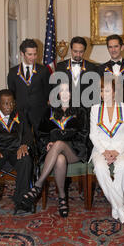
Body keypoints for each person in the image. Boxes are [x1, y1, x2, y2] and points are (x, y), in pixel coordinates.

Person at [20, 83, 90, 217]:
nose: (64, 93)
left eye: (67, 90)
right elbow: (41, 133)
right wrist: (47, 143)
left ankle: (38, 184)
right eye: (61, 90)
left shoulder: (81, 111)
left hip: (75, 151)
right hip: (54, 152)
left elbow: (84, 135)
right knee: (59, 159)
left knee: (59, 144)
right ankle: (62, 198)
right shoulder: (49, 111)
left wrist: (61, 142)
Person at [89, 76, 124, 224]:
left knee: (122, 166)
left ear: (115, 92)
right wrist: (104, 151)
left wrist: (117, 151)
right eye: (102, 91)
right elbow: (93, 135)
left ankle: (116, 206)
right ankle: (119, 207)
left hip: (123, 149)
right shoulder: (95, 109)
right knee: (100, 168)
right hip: (100, 150)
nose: (104, 94)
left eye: (107, 91)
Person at [7, 39, 51, 132]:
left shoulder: (43, 70)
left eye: (35, 54)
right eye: (30, 54)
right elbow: (12, 93)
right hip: (20, 114)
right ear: (22, 54)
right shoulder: (13, 72)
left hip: (39, 114)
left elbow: (48, 92)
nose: (33, 57)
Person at [53, 36, 99, 109]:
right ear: (71, 50)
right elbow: (56, 89)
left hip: (85, 111)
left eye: (81, 52)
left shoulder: (92, 67)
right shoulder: (60, 66)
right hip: (66, 109)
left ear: (85, 50)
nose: (78, 55)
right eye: (75, 51)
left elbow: (94, 93)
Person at [99, 34, 124, 106]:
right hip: (107, 110)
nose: (113, 50)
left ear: (122, 47)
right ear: (107, 49)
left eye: (116, 46)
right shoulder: (100, 69)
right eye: (110, 47)